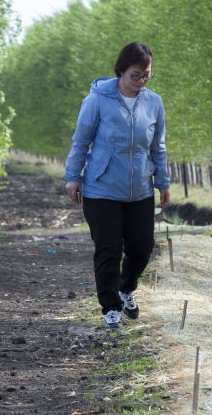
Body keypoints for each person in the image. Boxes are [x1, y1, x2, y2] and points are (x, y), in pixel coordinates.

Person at [64, 42, 171, 329]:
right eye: (136, 75)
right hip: (101, 188)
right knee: (108, 248)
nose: (142, 81)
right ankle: (110, 307)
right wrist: (72, 176)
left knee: (141, 249)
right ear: (121, 71)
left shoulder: (154, 102)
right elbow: (81, 141)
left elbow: (158, 146)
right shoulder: (97, 100)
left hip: (140, 190)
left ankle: (126, 289)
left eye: (147, 75)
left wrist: (163, 182)